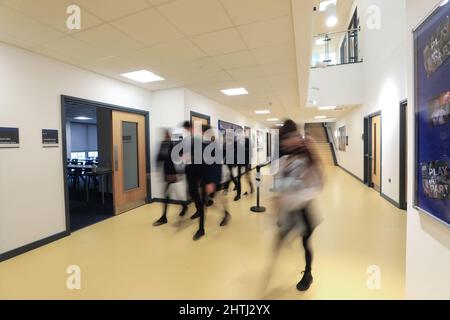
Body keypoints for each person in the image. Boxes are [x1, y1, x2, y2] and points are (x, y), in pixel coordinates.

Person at [272, 119, 324, 292]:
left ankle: (308, 273)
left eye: (288, 139)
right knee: (280, 238)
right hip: (288, 209)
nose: (285, 143)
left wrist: (297, 191)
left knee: (305, 242)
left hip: (304, 209)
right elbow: (279, 181)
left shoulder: (307, 155)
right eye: (283, 141)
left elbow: (317, 185)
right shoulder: (284, 157)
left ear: (295, 136)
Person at [153, 129, 188, 227]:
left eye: (167, 134)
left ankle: (164, 216)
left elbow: (182, 156)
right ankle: (183, 206)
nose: (166, 136)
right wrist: (154, 172)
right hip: (166, 172)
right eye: (165, 135)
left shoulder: (175, 145)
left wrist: (179, 172)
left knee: (166, 193)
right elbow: (159, 158)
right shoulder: (163, 144)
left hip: (173, 172)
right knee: (170, 192)